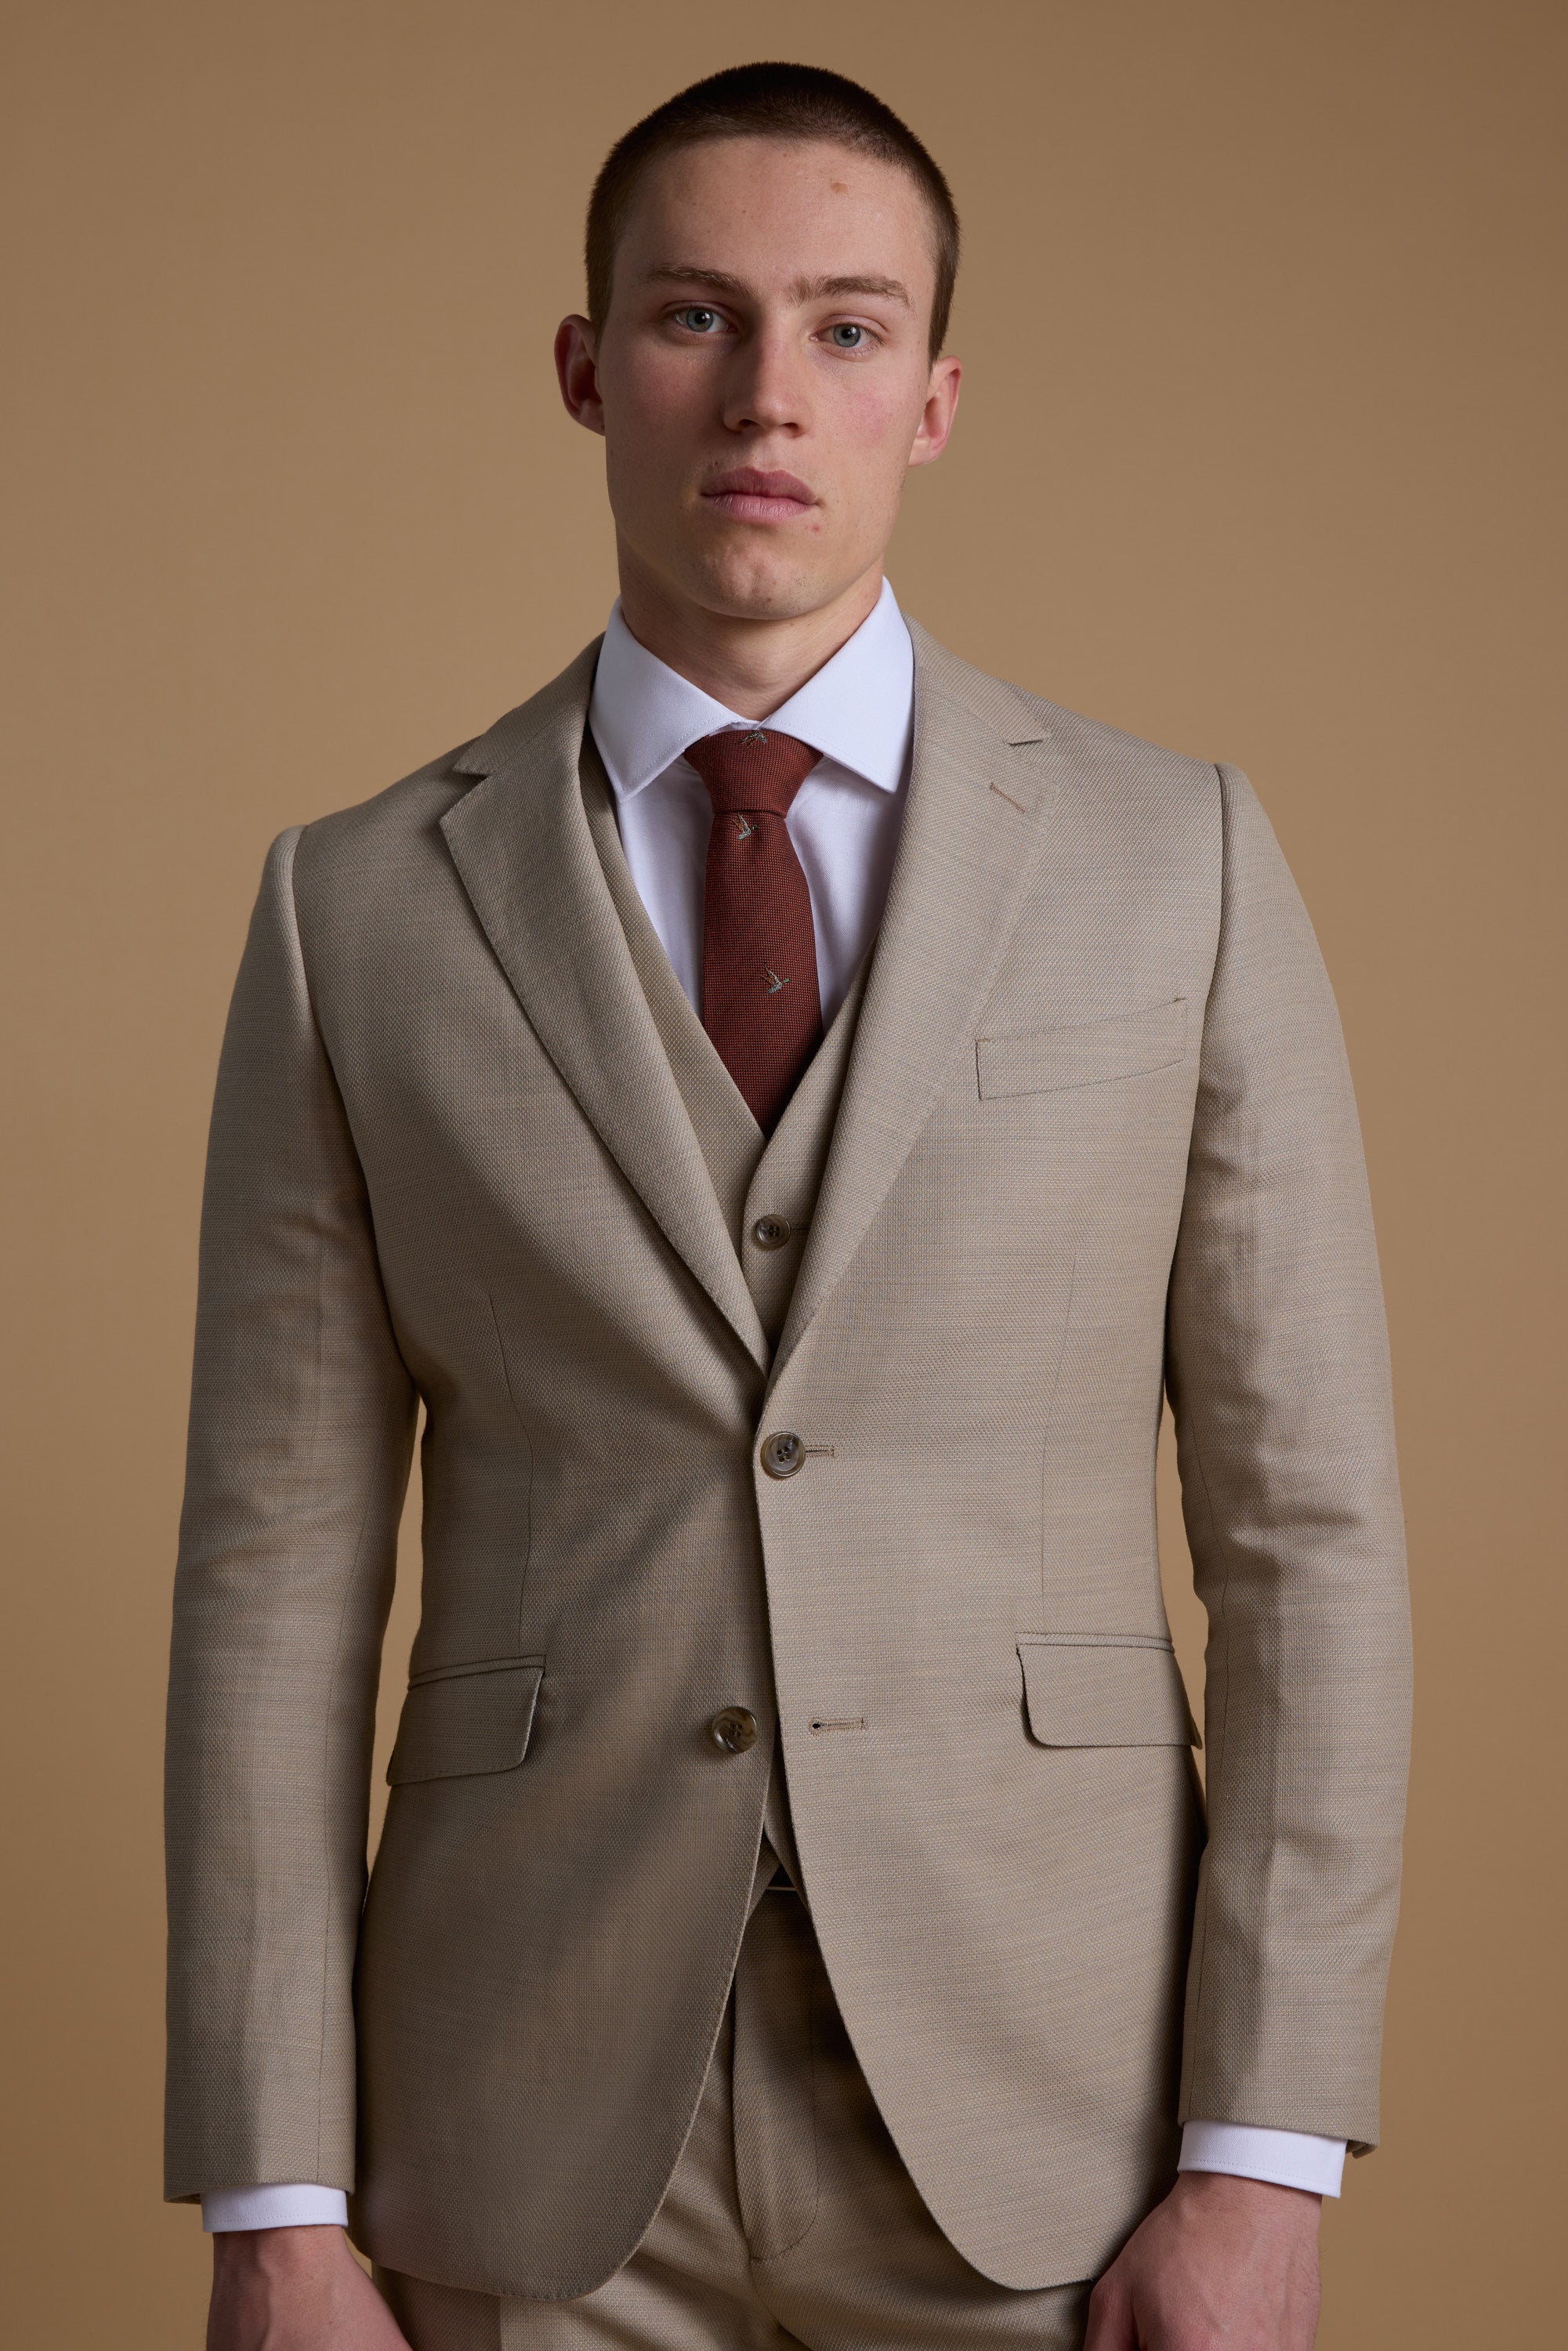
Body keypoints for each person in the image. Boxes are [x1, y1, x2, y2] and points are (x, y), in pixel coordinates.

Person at [165, 61, 1411, 2351]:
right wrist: (277, 2206)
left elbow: (1304, 1534)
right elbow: (274, 1579)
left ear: (932, 399)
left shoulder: (1180, 862)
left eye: (844, 329)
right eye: (691, 318)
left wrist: (1261, 2156)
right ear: (582, 368)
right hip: (513, 2127)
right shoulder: (354, 911)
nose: (766, 393)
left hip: (1055, 2111)